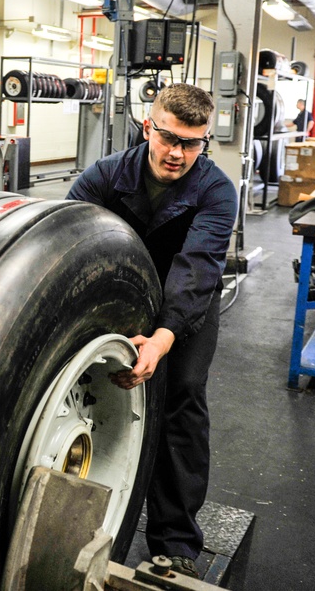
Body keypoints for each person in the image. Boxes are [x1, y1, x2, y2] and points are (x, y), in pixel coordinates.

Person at [66, 83, 237, 580]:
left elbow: (197, 269)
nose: (178, 153)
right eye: (169, 138)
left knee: (181, 394)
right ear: (148, 127)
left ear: (205, 141)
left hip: (183, 303)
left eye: (192, 143)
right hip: (117, 297)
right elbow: (71, 241)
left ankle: (176, 541)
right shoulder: (103, 177)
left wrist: (164, 338)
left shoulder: (216, 190)